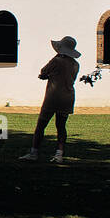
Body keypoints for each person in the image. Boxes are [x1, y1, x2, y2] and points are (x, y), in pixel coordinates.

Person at [20, 36, 80, 164]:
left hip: (53, 96)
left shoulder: (57, 60)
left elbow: (44, 71)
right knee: (61, 126)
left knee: (41, 125)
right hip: (68, 97)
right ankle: (59, 154)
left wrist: (46, 76)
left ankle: (34, 152)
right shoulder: (75, 64)